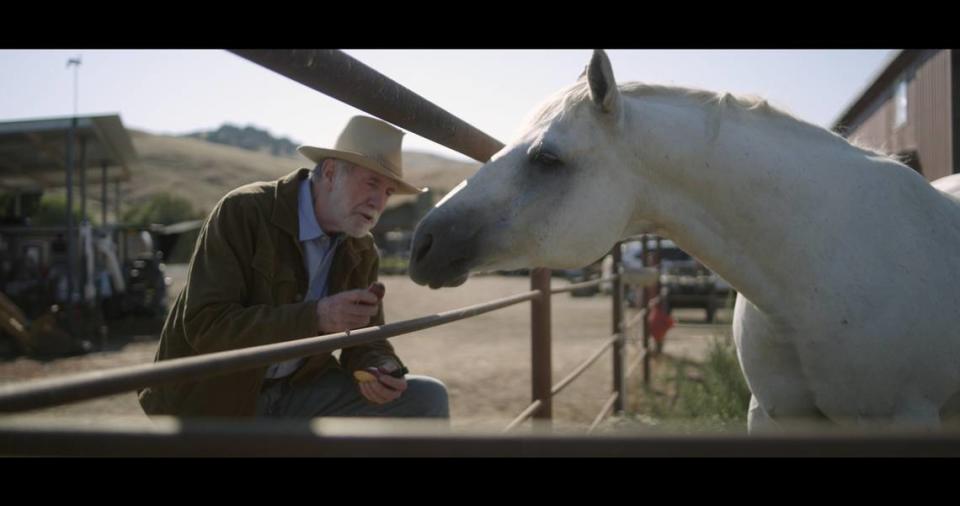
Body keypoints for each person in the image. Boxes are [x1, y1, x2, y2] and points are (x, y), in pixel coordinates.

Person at [138, 116, 449, 419]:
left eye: (388, 192)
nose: (378, 201)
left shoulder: (363, 248)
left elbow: (365, 339)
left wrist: (378, 367)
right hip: (215, 401)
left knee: (427, 399)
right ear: (330, 173)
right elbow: (206, 326)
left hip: (298, 393)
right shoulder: (243, 211)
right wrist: (317, 316)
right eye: (372, 183)